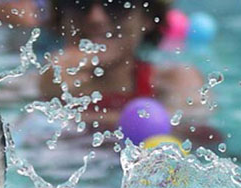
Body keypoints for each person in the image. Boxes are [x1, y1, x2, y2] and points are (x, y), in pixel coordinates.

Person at [40, 0, 212, 138]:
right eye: (79, 2)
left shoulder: (175, 81)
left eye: (117, 3)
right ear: (61, 15)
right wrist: (49, 95)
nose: (96, 18)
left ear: (147, 17)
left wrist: (56, 115)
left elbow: (193, 132)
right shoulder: (38, 83)